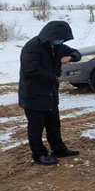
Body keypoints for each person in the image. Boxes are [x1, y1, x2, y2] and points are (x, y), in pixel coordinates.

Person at [18, 21, 82, 165]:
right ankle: (39, 154)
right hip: (33, 94)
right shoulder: (32, 47)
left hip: (50, 94)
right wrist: (54, 78)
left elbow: (76, 53)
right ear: (50, 35)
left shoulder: (58, 46)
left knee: (54, 124)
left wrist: (71, 57)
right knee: (36, 127)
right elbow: (31, 70)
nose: (61, 41)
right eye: (60, 38)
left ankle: (58, 149)